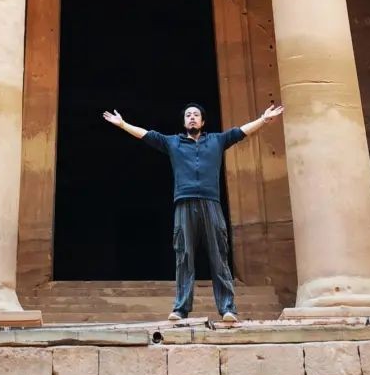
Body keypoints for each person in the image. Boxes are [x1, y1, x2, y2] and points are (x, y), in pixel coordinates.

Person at [103, 100, 284, 323]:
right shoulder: (173, 143)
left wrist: (264, 120)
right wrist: (123, 124)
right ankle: (180, 309)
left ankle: (228, 308)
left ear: (203, 121)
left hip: (211, 203)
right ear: (184, 121)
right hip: (184, 203)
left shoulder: (217, 140)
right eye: (188, 115)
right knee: (184, 255)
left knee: (218, 255)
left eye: (196, 115)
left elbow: (240, 132)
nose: (191, 117)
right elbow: (147, 135)